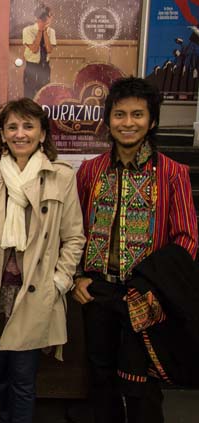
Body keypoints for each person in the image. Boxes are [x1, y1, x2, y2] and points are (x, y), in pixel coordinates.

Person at [73, 77, 198, 423]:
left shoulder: (173, 173)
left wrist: (152, 286)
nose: (127, 123)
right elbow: (74, 231)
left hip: (145, 297)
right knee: (100, 376)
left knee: (141, 383)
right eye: (119, 114)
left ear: (152, 121)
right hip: (97, 291)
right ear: (108, 120)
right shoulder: (90, 171)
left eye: (137, 115)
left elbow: (187, 238)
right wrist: (78, 277)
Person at [0, 98, 85, 423]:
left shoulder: (60, 176)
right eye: (12, 127)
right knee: (0, 373)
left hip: (34, 291)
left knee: (23, 378)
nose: (20, 133)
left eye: (28, 126)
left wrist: (58, 282)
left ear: (42, 133)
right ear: (2, 135)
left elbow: (74, 238)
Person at [22, 4, 56, 99]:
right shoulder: (28, 30)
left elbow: (49, 50)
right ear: (41, 17)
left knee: (44, 93)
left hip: (45, 66)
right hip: (31, 66)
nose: (51, 18)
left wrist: (45, 32)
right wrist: (40, 31)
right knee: (29, 93)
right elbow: (34, 49)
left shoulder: (51, 31)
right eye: (50, 15)